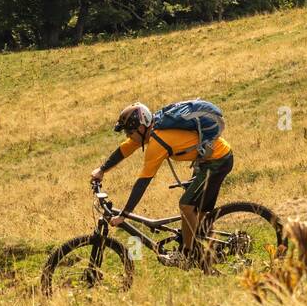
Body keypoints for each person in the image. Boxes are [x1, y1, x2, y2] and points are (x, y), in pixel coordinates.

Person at [90, 101, 234, 267]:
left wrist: (124, 214)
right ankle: (210, 254)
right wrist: (102, 170)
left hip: (218, 162)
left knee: (186, 206)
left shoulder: (157, 142)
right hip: (207, 161)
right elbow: (125, 149)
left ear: (142, 128)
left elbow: (143, 181)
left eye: (129, 131)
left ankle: (187, 255)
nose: (128, 135)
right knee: (197, 216)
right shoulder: (152, 129)